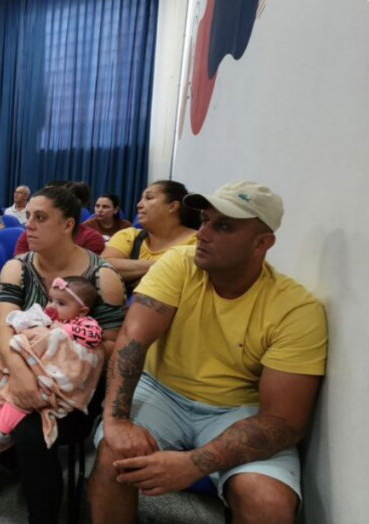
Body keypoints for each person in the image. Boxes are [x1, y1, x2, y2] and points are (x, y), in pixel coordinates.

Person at [88, 181, 327, 524]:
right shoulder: (180, 263)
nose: (203, 233)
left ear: (262, 243)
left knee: (266, 502)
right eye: (204, 220)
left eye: (223, 226)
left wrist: (195, 463)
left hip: (240, 408)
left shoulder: (296, 310)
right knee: (116, 455)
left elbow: (283, 422)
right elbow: (133, 340)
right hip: (162, 391)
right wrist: (116, 421)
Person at [0, 187, 126, 524]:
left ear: (67, 224)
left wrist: (55, 354)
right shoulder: (18, 268)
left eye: (40, 218)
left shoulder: (102, 278)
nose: (28, 225)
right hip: (15, 359)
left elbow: (110, 347)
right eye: (28, 216)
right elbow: (3, 328)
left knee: (33, 432)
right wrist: (23, 372)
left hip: (70, 378)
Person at [0, 276, 103, 454]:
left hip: (57, 371)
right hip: (36, 365)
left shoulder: (83, 323)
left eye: (61, 303)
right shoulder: (48, 318)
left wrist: (64, 330)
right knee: (7, 388)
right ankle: (6, 434)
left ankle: (3, 426)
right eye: (50, 300)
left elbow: (94, 337)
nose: (51, 306)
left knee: (23, 397)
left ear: (81, 311)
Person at [101, 180, 199, 291]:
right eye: (141, 199)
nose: (139, 205)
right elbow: (103, 267)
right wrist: (166, 265)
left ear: (173, 206)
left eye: (149, 198)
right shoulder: (129, 236)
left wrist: (131, 270)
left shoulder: (198, 242)